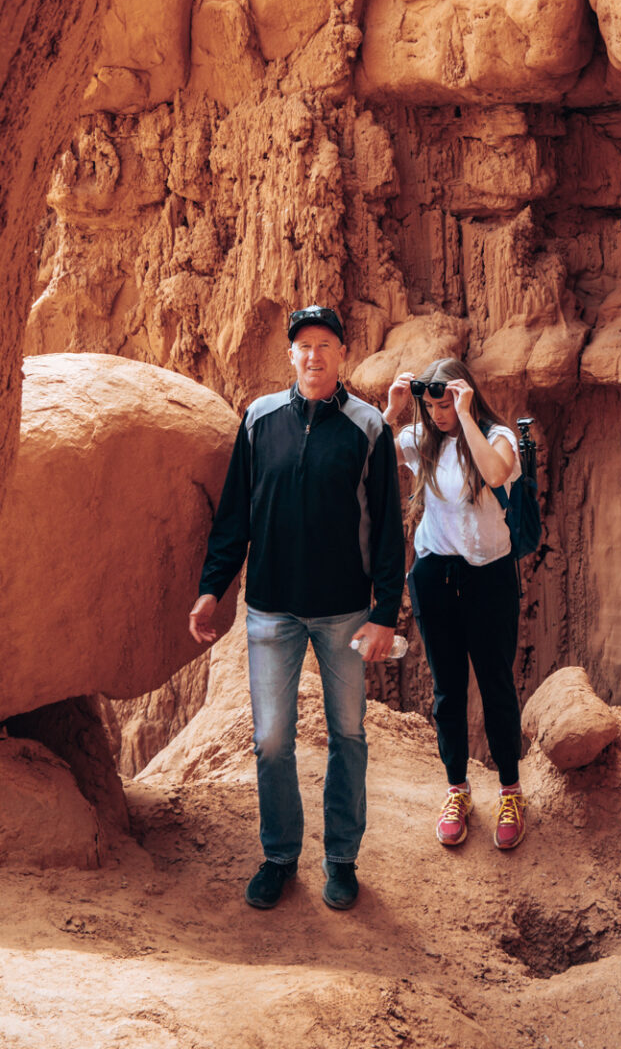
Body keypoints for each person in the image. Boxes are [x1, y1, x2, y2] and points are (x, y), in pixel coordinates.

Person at [188, 304, 405, 912]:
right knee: (272, 741)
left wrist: (385, 611)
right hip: (271, 612)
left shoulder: (368, 429)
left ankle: (341, 859)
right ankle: (280, 855)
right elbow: (234, 518)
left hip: (344, 614)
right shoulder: (259, 420)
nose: (313, 356)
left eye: (325, 345)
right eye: (303, 346)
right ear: (291, 355)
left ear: (342, 355)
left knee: (348, 735)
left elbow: (389, 529)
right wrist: (213, 587)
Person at [383, 356, 527, 851]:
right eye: (433, 406)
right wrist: (394, 410)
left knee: (495, 684)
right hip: (435, 575)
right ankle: (457, 790)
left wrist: (466, 416)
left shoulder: (497, 436)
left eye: (444, 404)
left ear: (464, 396)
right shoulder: (422, 440)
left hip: (489, 578)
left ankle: (510, 790)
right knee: (447, 690)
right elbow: (369, 455)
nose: (438, 414)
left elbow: (495, 473)